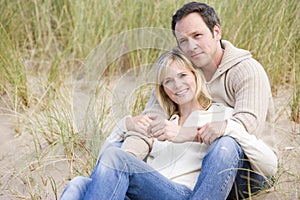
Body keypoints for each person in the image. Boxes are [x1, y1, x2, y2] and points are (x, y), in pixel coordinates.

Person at [61, 2, 278, 199]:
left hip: (250, 169)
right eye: (183, 40)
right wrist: (125, 164)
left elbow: (246, 128)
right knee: (83, 180)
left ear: (216, 31)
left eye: (197, 36)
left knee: (226, 143)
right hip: (172, 181)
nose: (191, 46)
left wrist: (183, 134)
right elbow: (147, 125)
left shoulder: (245, 72)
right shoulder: (182, 67)